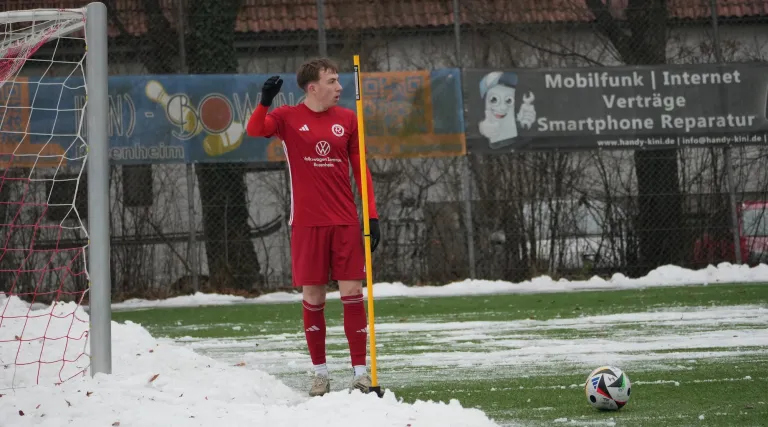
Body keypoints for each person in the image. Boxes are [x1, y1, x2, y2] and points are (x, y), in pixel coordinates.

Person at [245, 57, 381, 397]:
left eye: (338, 80)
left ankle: (360, 373)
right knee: (313, 296)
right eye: (332, 81)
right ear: (312, 87)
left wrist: (372, 215)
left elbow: (360, 169)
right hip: (307, 223)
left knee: (352, 293)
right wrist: (264, 101)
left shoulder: (347, 119)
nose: (339, 87)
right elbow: (255, 130)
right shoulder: (287, 117)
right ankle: (320, 374)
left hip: (345, 221)